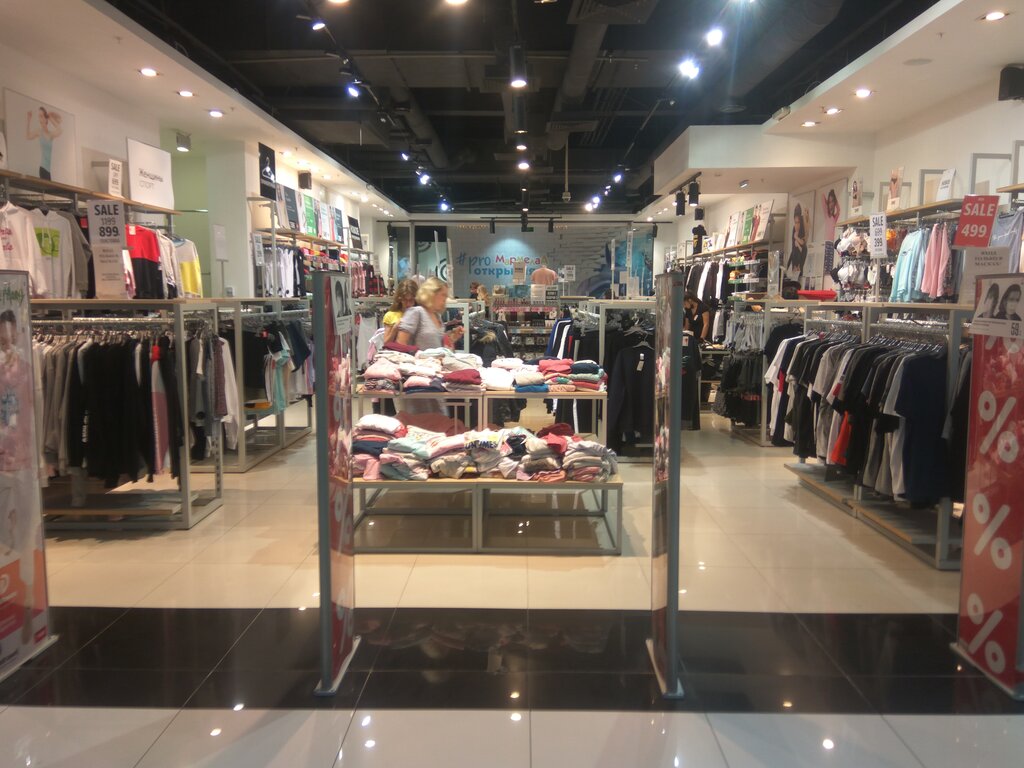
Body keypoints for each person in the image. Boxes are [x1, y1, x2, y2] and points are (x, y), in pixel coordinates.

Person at [395, 277, 464, 414]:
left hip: (436, 378)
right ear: (431, 293)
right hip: (419, 380)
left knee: (438, 418)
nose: (445, 299)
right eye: (443, 295)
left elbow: (438, 346)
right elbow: (400, 347)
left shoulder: (437, 317)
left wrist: (452, 338)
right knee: (420, 420)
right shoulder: (416, 313)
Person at [25, 107, 62, 180]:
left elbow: (60, 130)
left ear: (46, 119)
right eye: (39, 116)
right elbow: (28, 136)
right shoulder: (39, 132)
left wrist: (50, 118)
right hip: (43, 168)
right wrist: (28, 120)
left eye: (41, 116)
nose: (40, 119)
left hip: (48, 170)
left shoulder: (51, 134)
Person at [382, 279, 418, 344]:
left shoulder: (420, 314)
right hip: (397, 349)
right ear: (399, 299)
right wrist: (395, 329)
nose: (408, 304)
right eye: (405, 300)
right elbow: (386, 343)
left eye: (411, 300)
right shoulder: (390, 315)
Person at [786, 202, 808, 280]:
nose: (796, 225)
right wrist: (788, 265)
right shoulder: (794, 230)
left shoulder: (802, 232)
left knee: (798, 280)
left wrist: (797, 240)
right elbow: (793, 249)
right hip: (794, 262)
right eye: (795, 223)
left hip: (799, 262)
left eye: (798, 222)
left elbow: (804, 249)